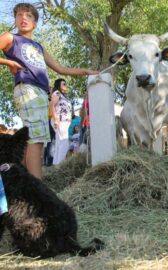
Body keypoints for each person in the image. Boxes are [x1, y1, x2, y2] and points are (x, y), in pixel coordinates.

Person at [0, 3, 99, 179]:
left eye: (29, 16)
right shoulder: (11, 38)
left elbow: (61, 69)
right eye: (20, 15)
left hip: (40, 93)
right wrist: (9, 63)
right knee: (35, 137)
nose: (24, 18)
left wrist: (87, 72)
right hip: (27, 89)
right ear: (15, 19)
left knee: (34, 136)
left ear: (35, 23)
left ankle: (22, 182)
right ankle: (37, 185)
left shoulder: (38, 46)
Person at [50, 78, 72, 165]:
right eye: (64, 84)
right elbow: (52, 105)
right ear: (58, 85)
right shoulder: (57, 93)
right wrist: (55, 119)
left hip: (64, 122)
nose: (66, 85)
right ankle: (60, 164)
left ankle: (56, 164)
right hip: (60, 121)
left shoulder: (63, 96)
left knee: (59, 143)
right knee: (64, 142)